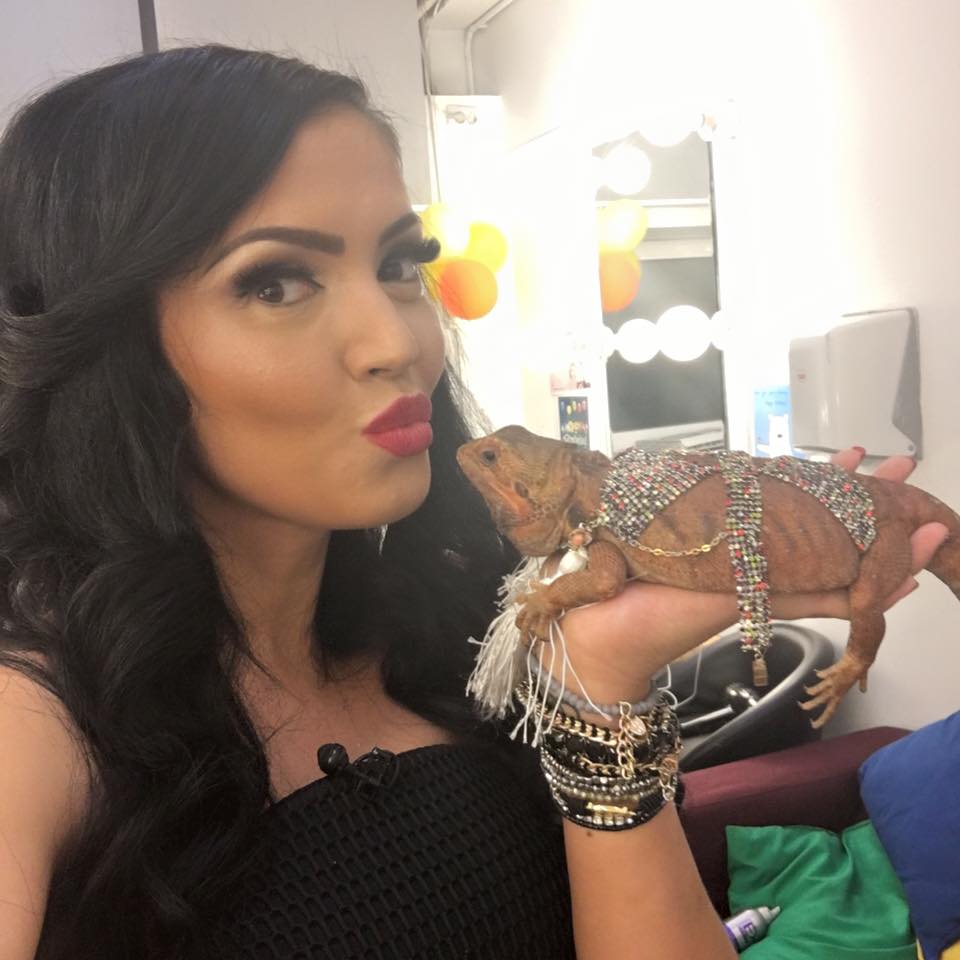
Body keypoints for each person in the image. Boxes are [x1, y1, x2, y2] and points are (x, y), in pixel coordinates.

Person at [0, 44, 947, 960]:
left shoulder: (459, 634)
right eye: (276, 282)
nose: (397, 341)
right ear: (108, 349)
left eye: (398, 264)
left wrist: (598, 679)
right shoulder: (37, 721)